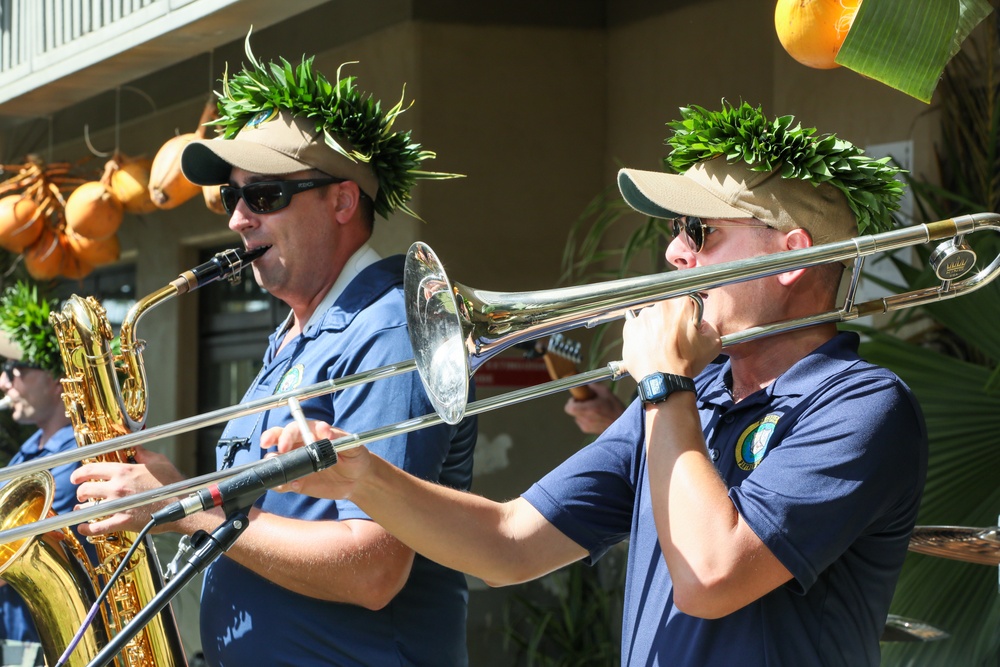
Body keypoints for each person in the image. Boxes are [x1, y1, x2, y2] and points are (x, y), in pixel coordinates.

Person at [264, 102, 929, 666]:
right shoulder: (695, 396)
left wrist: (667, 384)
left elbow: (712, 574)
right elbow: (508, 542)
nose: (674, 254)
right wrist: (365, 479)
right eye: (675, 232)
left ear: (792, 257)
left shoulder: (862, 405)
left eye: (701, 232)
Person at [70, 42, 477, 667]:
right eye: (235, 197)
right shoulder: (294, 334)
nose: (236, 219)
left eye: (263, 196)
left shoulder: (389, 326)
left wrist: (186, 506)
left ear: (342, 202)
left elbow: (374, 568)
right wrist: (162, 482)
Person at [0, 283, 80, 667]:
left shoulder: (76, 456)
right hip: (16, 639)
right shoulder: (26, 451)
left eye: (15, 370)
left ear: (54, 378)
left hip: (52, 643)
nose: (4, 382)